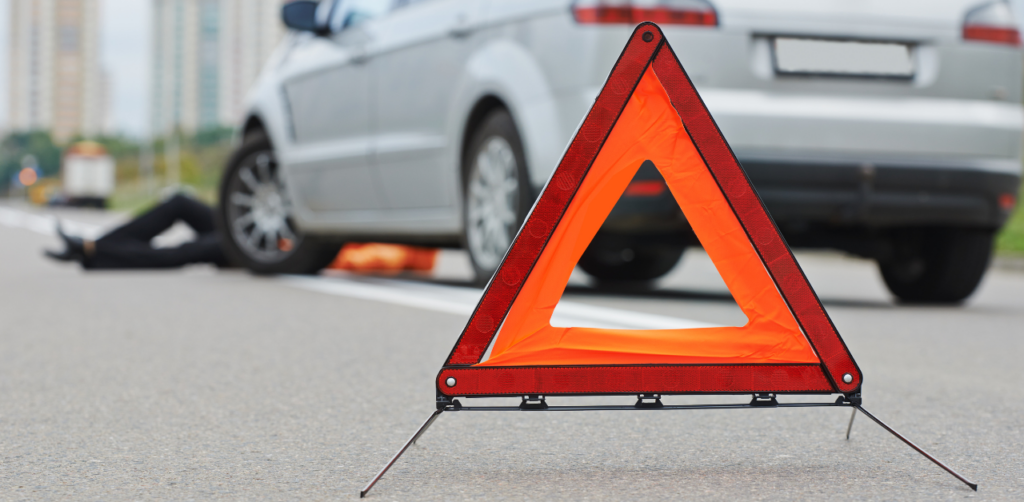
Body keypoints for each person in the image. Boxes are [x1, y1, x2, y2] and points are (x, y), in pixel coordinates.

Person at [45, 194, 229, 269]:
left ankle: (91, 250)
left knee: (189, 250)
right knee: (179, 203)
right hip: (240, 225)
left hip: (250, 249)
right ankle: (93, 246)